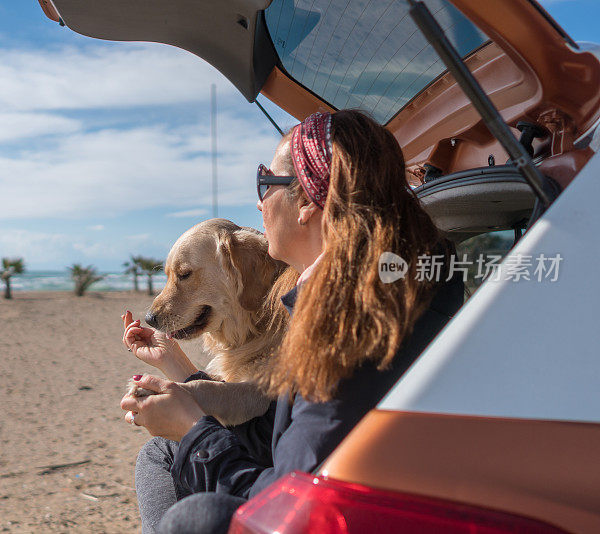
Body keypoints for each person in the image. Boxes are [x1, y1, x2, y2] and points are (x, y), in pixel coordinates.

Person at [121, 110, 464, 534]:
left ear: (305, 203)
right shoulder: (370, 294)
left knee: (194, 517)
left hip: (325, 512)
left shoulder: (351, 330)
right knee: (160, 453)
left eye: (266, 182)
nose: (259, 202)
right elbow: (280, 428)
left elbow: (293, 499)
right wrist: (185, 383)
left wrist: (193, 431)